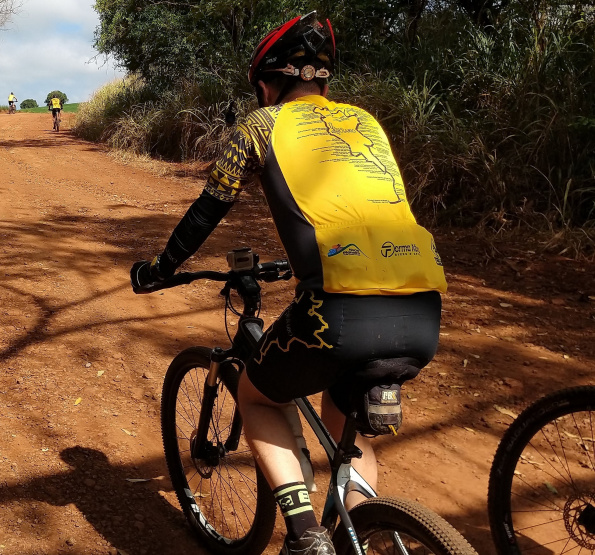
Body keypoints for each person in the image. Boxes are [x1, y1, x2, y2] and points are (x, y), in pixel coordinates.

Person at [130, 12, 447, 555]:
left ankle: (305, 537)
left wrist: (161, 267)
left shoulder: (259, 127)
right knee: (346, 420)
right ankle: (361, 532)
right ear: (325, 81)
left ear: (264, 83)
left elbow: (207, 212)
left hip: (338, 314)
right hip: (422, 308)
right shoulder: (367, 123)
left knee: (259, 396)